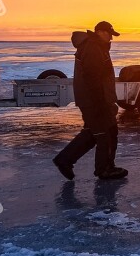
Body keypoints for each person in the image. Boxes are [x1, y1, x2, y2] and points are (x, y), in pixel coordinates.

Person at [53, 21, 128, 181]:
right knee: (105, 134)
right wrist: (100, 103)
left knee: (94, 132)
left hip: (96, 99)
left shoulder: (96, 47)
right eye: (109, 34)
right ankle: (104, 169)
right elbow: (92, 79)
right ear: (100, 32)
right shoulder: (93, 48)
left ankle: (65, 159)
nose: (111, 38)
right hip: (94, 101)